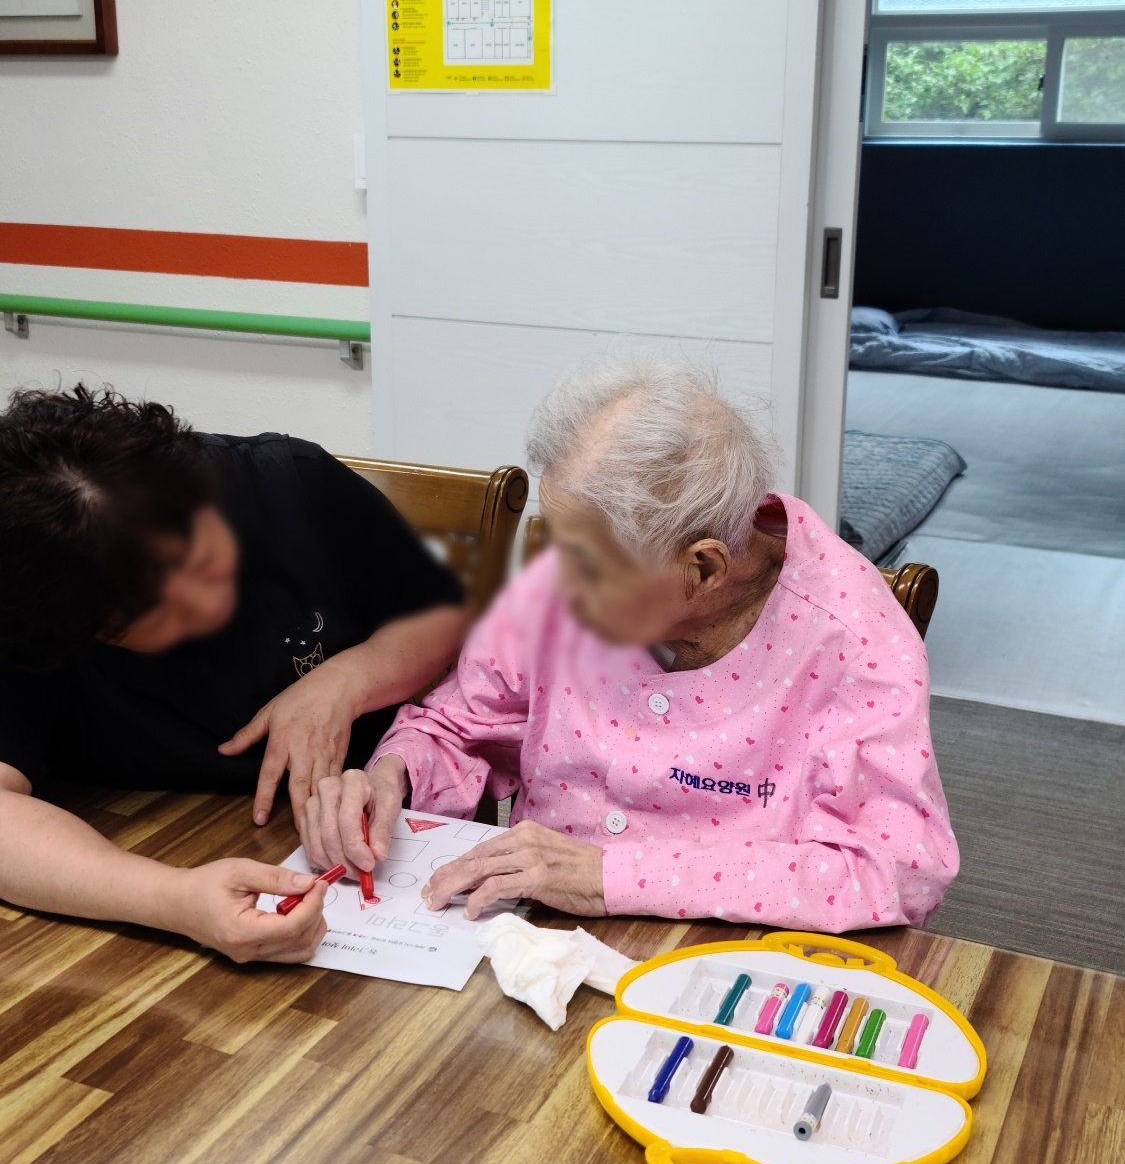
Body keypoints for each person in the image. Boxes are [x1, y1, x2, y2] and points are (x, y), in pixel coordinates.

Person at [307, 359, 958, 932]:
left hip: (722, 963)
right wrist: (394, 774)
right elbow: (459, 725)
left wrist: (610, 877)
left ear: (703, 569)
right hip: (530, 940)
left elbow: (896, 870)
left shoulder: (852, 640)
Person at [0, 386, 466, 962]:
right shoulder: (31, 591)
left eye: (203, 559)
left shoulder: (290, 484)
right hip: (133, 852)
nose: (210, 601)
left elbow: (441, 619)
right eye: (160, 613)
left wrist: (346, 680)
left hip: (355, 821)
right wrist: (173, 900)